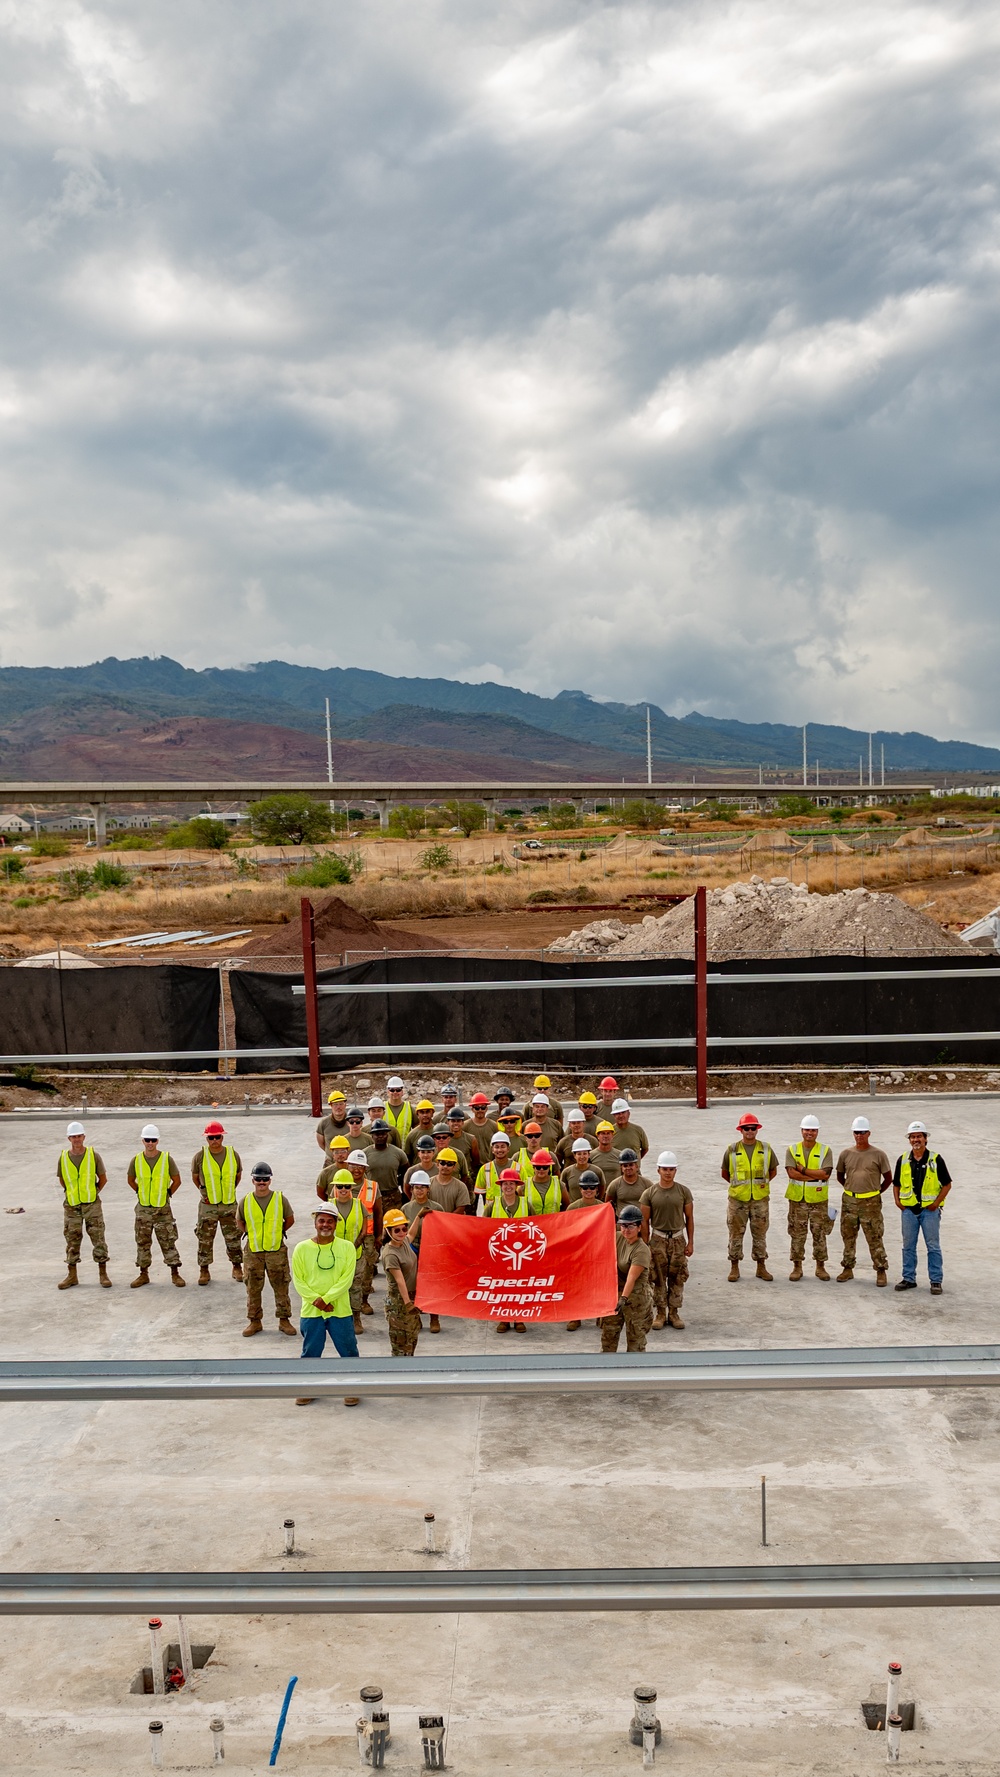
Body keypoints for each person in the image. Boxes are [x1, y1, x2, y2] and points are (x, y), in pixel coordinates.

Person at [292, 1206, 360, 1407]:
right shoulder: (301, 1249)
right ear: (315, 1223)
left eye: (330, 1221)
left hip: (340, 1310)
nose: (325, 1225)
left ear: (336, 1224)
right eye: (321, 1221)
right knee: (311, 1351)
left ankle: (353, 1388)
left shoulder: (347, 1247)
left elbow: (346, 1280)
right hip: (312, 1311)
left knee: (348, 1350)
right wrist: (316, 1301)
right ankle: (308, 1388)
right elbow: (299, 1280)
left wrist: (327, 1299)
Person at [237, 1162, 296, 1336]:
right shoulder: (246, 1201)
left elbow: (290, 1219)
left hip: (276, 1250)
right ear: (253, 1180)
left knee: (281, 1286)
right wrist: (250, 1232)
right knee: (253, 1288)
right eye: (258, 1179)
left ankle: (284, 1321)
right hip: (253, 1251)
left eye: (265, 1179)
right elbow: (239, 1221)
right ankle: (255, 1322)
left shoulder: (280, 1199)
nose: (261, 1182)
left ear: (270, 1180)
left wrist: (279, 1232)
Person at [893, 1120, 952, 1295]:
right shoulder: (903, 1159)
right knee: (908, 1246)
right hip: (909, 1211)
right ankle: (908, 1278)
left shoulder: (935, 1159)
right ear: (909, 1140)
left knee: (933, 1246)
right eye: (912, 1137)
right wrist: (898, 1202)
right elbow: (896, 1184)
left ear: (925, 1139)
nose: (916, 1140)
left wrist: (935, 1203)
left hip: (929, 1212)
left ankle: (935, 1280)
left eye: (919, 1136)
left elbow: (947, 1184)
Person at [640, 1152, 694, 1329]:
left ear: (675, 1171)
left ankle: (674, 1312)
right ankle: (661, 1313)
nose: (668, 1173)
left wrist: (690, 1242)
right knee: (658, 1278)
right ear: (658, 1170)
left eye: (671, 1169)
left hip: (678, 1239)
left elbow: (689, 1218)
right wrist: (646, 1245)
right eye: (665, 1169)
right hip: (658, 1239)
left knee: (677, 1277)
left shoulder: (683, 1191)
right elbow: (644, 1222)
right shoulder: (649, 1193)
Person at [127, 1124, 184, 1289]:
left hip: (162, 1210)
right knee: (142, 1242)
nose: (150, 1143)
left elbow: (177, 1180)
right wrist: (140, 1191)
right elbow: (131, 1180)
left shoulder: (166, 1159)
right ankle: (143, 1274)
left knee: (168, 1240)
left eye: (153, 1140)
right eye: (147, 1140)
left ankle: (175, 1273)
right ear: (142, 1141)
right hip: (143, 1209)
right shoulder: (136, 1160)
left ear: (157, 1141)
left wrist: (167, 1194)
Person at [722, 1112, 777, 1282]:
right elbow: (725, 1173)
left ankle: (761, 1267)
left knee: (760, 1234)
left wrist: (759, 1186)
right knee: (735, 1234)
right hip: (738, 1200)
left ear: (757, 1130)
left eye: (753, 1128)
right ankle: (734, 1268)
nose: (750, 1131)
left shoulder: (766, 1149)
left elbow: (773, 1171)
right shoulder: (732, 1150)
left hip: (759, 1199)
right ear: (741, 1130)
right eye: (746, 1128)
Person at [835, 1116, 890, 1287]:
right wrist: (851, 1189)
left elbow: (888, 1178)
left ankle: (881, 1270)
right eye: (856, 1132)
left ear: (869, 1133)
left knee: (874, 1237)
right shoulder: (846, 1154)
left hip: (871, 1203)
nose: (859, 1136)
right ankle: (848, 1268)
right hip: (850, 1202)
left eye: (862, 1132)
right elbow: (839, 1175)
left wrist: (875, 1192)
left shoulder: (878, 1154)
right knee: (848, 1236)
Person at [56, 1120, 111, 1291]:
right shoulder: (64, 1157)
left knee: (98, 1238)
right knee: (72, 1240)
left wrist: (93, 1193)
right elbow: (62, 1180)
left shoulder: (93, 1156)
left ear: (84, 1137)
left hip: (91, 1205)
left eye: (79, 1136)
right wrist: (72, 1192)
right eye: (74, 1137)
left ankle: (103, 1274)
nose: (77, 1139)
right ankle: (72, 1275)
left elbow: (102, 1178)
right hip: (72, 1206)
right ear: (69, 1138)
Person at [192, 1120, 243, 1285]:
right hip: (208, 1205)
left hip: (229, 1204)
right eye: (211, 1137)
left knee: (233, 1237)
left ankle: (237, 1267)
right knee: (205, 1238)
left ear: (223, 1137)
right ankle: (204, 1270)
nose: (215, 1141)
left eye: (218, 1137)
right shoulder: (200, 1156)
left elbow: (237, 1175)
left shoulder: (233, 1154)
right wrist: (205, 1192)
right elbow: (195, 1177)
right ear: (206, 1139)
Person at [784, 1115, 834, 1281]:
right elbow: (792, 1173)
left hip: (818, 1201)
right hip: (797, 1200)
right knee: (797, 1234)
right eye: (807, 1130)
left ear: (817, 1131)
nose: (809, 1133)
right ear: (802, 1131)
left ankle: (820, 1267)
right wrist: (815, 1176)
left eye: (813, 1130)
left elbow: (825, 1174)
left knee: (819, 1233)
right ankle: (797, 1267)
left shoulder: (825, 1151)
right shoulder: (792, 1150)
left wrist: (803, 1170)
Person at [601, 1205, 653, 1353]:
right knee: (608, 1340)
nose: (626, 1230)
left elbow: (631, 1277)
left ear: (639, 1227)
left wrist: (623, 1298)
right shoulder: (617, 1237)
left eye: (630, 1226)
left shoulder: (641, 1250)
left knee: (635, 1343)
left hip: (635, 1299)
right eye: (623, 1225)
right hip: (615, 1294)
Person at [324, 1169, 368, 1333]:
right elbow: (323, 1230)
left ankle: (356, 1318)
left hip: (355, 1255)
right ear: (335, 1188)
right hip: (333, 1256)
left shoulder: (359, 1205)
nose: (343, 1190)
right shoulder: (329, 1206)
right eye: (340, 1186)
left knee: (355, 1287)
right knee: (333, 1287)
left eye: (347, 1187)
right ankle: (333, 1318)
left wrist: (352, 1247)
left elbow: (364, 1230)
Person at [345, 1149, 383, 1315]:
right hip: (345, 1235)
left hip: (367, 1236)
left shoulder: (372, 1187)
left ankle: (364, 1301)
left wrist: (379, 1235)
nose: (357, 1169)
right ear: (348, 1166)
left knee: (367, 1270)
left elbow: (379, 1211)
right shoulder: (341, 1184)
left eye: (360, 1166)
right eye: (354, 1165)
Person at [564, 1170, 603, 1331]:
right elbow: (566, 1231)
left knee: (599, 1285)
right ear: (580, 1189)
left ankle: (601, 1314)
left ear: (597, 1189)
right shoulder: (573, 1208)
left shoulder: (603, 1208)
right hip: (578, 1253)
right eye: (585, 1188)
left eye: (592, 1188)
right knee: (576, 1286)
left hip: (597, 1252)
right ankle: (575, 1316)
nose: (588, 1191)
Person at [382, 1209, 422, 1355]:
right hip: (399, 1304)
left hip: (411, 1298)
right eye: (396, 1230)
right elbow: (400, 1281)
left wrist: (418, 1216)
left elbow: (411, 1234)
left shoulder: (404, 1242)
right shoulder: (390, 1254)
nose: (401, 1232)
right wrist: (408, 1303)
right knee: (401, 1345)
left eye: (403, 1228)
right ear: (388, 1231)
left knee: (411, 1339)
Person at [362, 1119, 408, 1211]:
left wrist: (405, 1195)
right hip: (371, 1195)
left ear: (387, 1135)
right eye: (377, 1134)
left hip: (393, 1197)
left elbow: (406, 1175)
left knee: (394, 1224)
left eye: (383, 1134)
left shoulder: (398, 1153)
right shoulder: (364, 1154)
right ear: (372, 1136)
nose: (380, 1136)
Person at [473, 1130, 515, 1212]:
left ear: (508, 1149)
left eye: (503, 1146)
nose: (499, 1150)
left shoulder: (518, 1168)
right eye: (497, 1147)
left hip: (512, 1213)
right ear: (492, 1149)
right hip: (492, 1213)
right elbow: (479, 1195)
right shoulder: (485, 1169)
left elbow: (523, 1193)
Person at [402, 1170, 442, 1250]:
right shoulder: (405, 1208)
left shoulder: (437, 1208)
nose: (419, 1191)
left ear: (428, 1189)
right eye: (416, 1187)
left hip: (431, 1246)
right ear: (411, 1190)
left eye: (423, 1187)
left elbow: (441, 1231)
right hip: (411, 1246)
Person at [605, 1150, 650, 1214]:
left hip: (640, 1221)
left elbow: (654, 1203)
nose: (628, 1168)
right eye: (625, 1166)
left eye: (631, 1165)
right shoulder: (614, 1184)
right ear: (621, 1168)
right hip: (622, 1222)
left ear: (636, 1166)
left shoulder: (647, 1184)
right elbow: (608, 1205)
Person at [524, 1150, 567, 1214]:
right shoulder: (524, 1186)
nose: (541, 1170)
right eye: (538, 1167)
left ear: (549, 1167)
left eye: (545, 1167)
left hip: (554, 1222)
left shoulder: (559, 1184)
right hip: (533, 1223)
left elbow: (566, 1205)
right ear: (533, 1167)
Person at [562, 1138, 600, 1202]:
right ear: (574, 1155)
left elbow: (601, 1190)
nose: (582, 1157)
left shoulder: (597, 1171)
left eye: (584, 1153)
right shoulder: (567, 1172)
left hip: (592, 1209)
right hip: (574, 1209)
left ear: (589, 1154)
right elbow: (563, 1191)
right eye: (579, 1154)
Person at [589, 1122, 623, 1191]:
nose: (605, 1136)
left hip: (616, 1194)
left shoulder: (620, 1155)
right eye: (603, 1133)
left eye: (608, 1133)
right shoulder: (590, 1156)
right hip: (597, 1195)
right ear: (597, 1136)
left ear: (612, 1135)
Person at [445, 1104, 480, 1173]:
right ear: (448, 1122)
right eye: (453, 1121)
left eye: (458, 1121)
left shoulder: (471, 1139)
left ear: (463, 1123)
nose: (456, 1123)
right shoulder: (443, 1139)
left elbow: (476, 1161)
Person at [384, 1076, 413, 1145]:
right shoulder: (382, 1108)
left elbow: (417, 1128)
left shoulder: (409, 1108)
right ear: (388, 1092)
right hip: (387, 1151)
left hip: (405, 1151)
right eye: (392, 1090)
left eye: (398, 1090)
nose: (395, 1092)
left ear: (402, 1092)